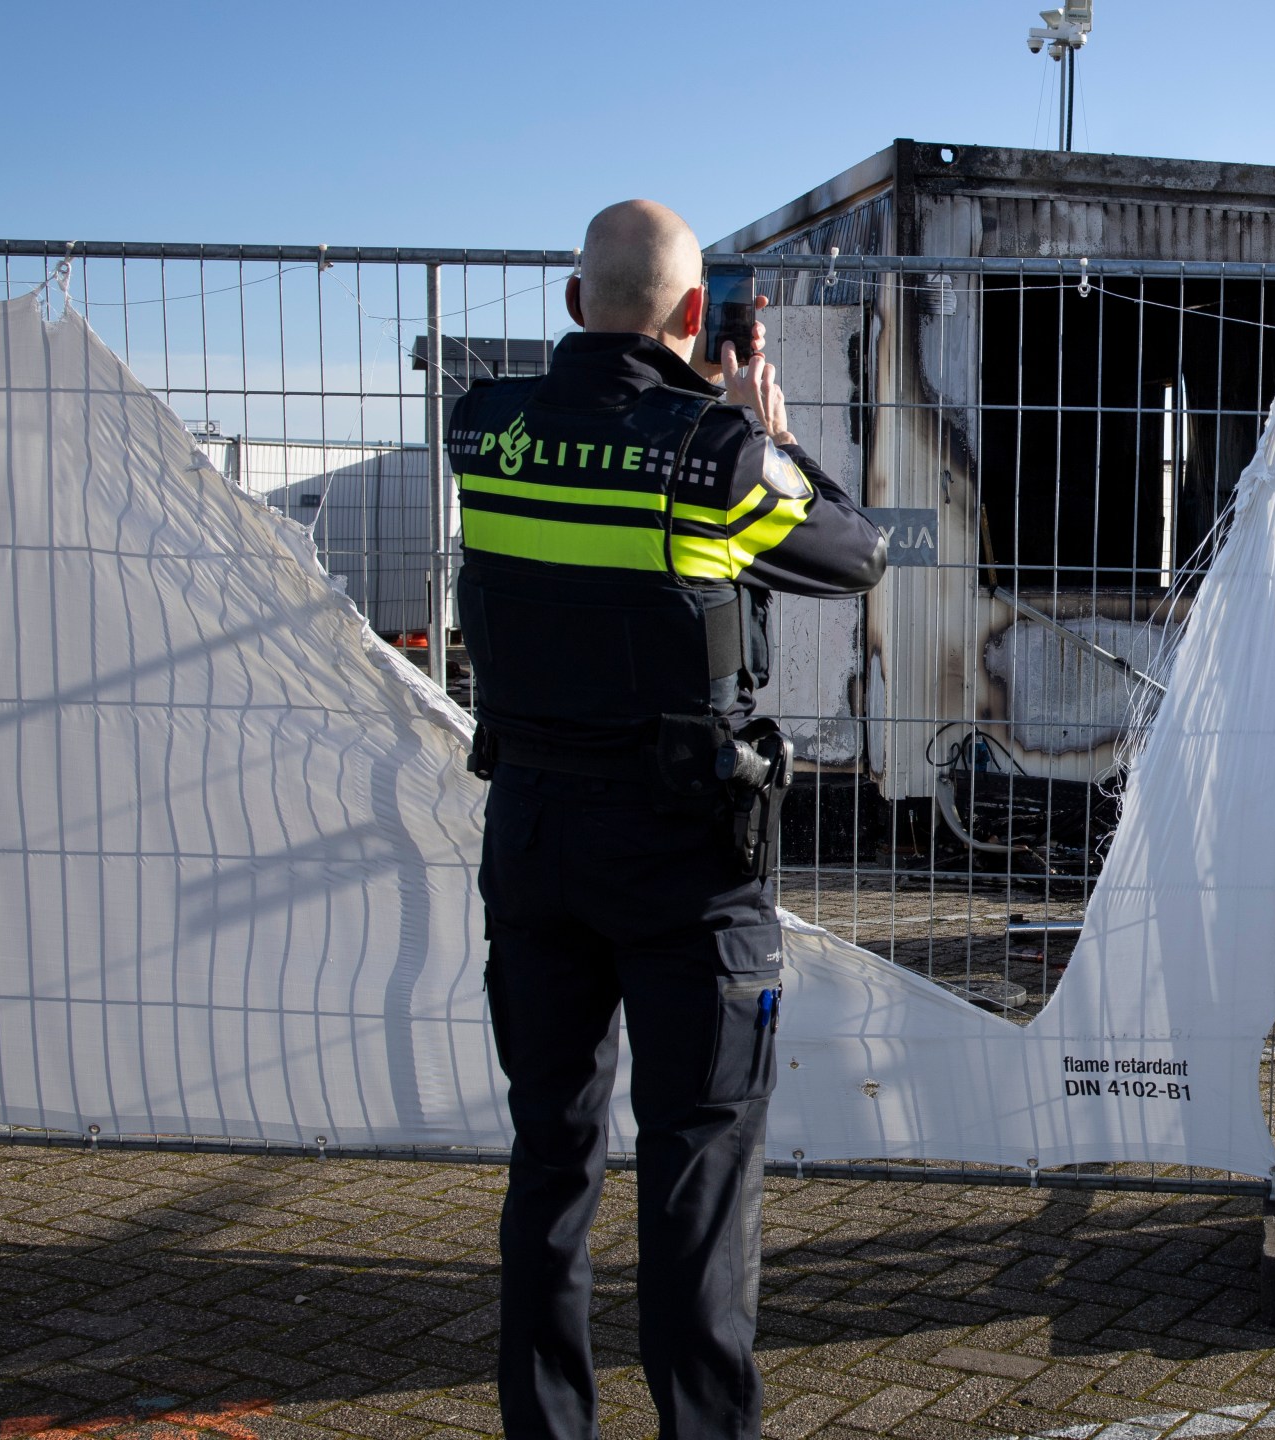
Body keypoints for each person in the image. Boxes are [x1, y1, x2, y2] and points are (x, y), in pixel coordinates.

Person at [451, 199, 886, 1440]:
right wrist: (767, 433)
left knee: (550, 1164)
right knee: (694, 1174)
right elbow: (853, 555)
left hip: (533, 843)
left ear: (575, 303)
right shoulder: (716, 458)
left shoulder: (482, 433)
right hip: (684, 865)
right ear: (700, 318)